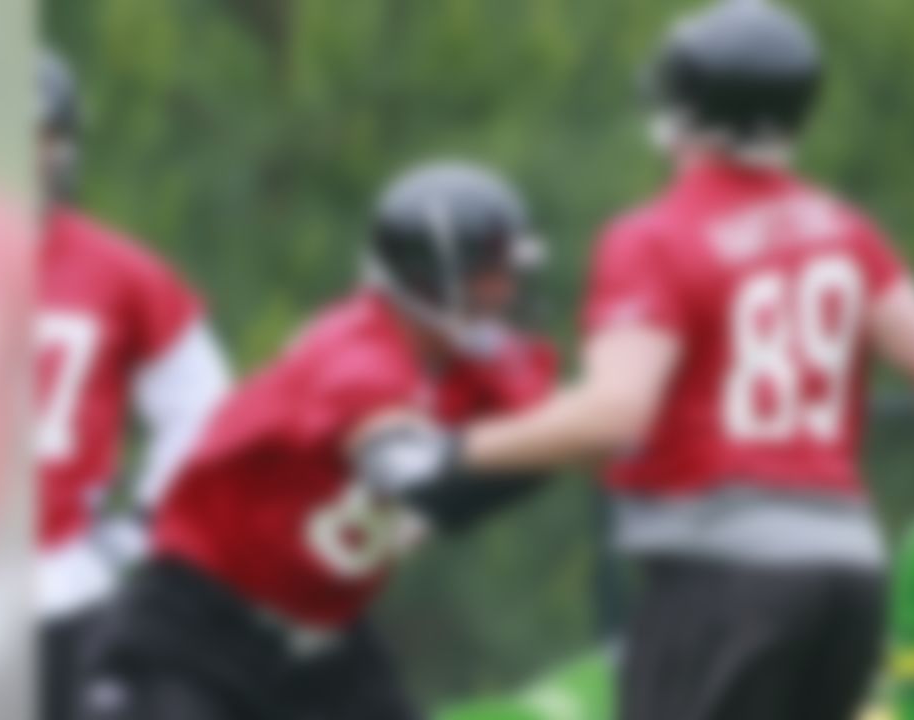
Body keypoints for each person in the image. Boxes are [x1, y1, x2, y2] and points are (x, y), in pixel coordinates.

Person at [358, 3, 914, 720]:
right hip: (850, 575)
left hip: (724, 580)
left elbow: (615, 415)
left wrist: (453, 454)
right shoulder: (845, 230)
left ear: (684, 102)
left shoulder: (655, 237)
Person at [73, 161, 557, 720]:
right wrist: (596, 422)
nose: (508, 289)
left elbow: (544, 440)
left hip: (324, 643)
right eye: (491, 271)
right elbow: (420, 476)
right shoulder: (355, 351)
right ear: (431, 277)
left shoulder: (474, 365)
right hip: (199, 631)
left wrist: (610, 419)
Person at [36, 50, 233, 720]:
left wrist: (143, 527)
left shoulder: (118, 272)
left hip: (60, 582)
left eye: (38, 135)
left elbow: (203, 407)